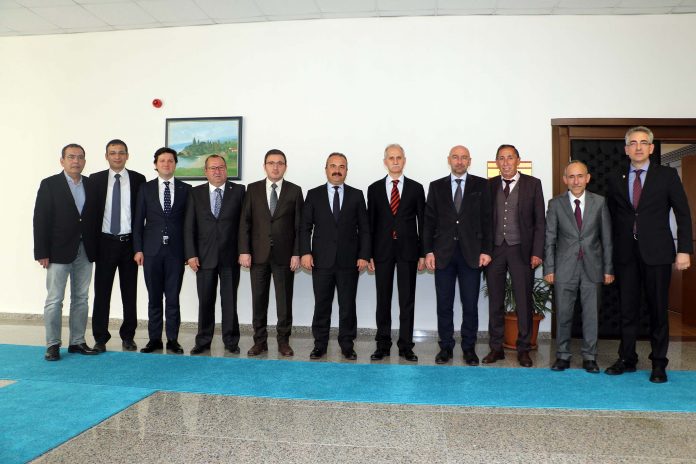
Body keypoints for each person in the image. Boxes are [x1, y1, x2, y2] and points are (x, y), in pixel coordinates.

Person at [606, 126, 692, 383]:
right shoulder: (615, 176)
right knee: (627, 310)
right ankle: (627, 358)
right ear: (626, 149)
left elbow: (683, 213)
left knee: (657, 310)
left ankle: (658, 363)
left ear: (651, 148)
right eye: (633, 143)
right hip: (625, 254)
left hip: (658, 253)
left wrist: (684, 250)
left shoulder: (667, 175)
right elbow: (611, 217)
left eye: (643, 142)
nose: (638, 147)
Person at [423, 145, 492, 365]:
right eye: (455, 157)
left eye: (463, 158)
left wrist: (486, 250)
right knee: (444, 305)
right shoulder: (436, 186)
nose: (459, 161)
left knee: (470, 304)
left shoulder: (482, 185)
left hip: (472, 255)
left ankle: (469, 348)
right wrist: (428, 251)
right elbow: (429, 221)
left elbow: (488, 220)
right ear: (449, 160)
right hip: (443, 255)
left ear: (469, 161)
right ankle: (445, 347)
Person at [544, 161, 614, 373]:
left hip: (593, 268)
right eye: (571, 177)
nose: (576, 181)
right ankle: (562, 355)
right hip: (564, 268)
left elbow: (607, 238)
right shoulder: (555, 204)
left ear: (588, 178)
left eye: (580, 176)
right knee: (563, 315)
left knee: (591, 315)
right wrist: (549, 268)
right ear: (565, 179)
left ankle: (590, 357)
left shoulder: (599, 202)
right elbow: (550, 239)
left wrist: (608, 269)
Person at [300, 152, 370, 360]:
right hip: (321, 260)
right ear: (326, 169)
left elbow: (364, 229)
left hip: (349, 261)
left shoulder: (357, 195)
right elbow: (305, 227)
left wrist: (364, 255)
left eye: (341, 166)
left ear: (346, 170)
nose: (337, 170)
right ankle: (319, 345)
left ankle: (347, 345)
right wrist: (305, 252)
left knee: (347, 306)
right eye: (333, 166)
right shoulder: (313, 194)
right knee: (322, 304)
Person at [33, 143, 99, 361]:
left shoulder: (91, 185)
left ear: (84, 161)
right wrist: (41, 251)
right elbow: (40, 219)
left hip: (85, 250)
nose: (76, 161)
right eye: (71, 157)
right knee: (55, 299)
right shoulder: (50, 184)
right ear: (62, 160)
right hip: (57, 251)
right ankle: (52, 344)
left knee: (81, 298)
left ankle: (77, 341)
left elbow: (94, 219)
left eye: (80, 157)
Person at [483, 144, 545, 368]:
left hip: (522, 250)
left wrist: (537, 252)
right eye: (501, 158)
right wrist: (483, 250)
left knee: (523, 300)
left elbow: (540, 222)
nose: (506, 162)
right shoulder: (489, 185)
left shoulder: (533, 184)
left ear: (518, 160)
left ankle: (524, 349)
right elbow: (483, 221)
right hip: (495, 251)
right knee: (495, 301)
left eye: (510, 157)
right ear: (496, 162)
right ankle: (496, 348)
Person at [239, 149, 303, 357]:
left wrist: (297, 253)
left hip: (285, 256)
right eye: (271, 163)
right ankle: (260, 342)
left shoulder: (295, 191)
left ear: (285, 166)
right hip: (258, 255)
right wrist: (244, 251)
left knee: (284, 302)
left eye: (280, 163)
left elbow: (299, 226)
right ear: (264, 166)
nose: (275, 167)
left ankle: (283, 341)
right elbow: (245, 222)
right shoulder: (253, 189)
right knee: (259, 300)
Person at [366, 143, 425, 362]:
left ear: (404, 160)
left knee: (407, 300)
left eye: (399, 157)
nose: (395, 161)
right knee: (383, 299)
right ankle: (382, 344)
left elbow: (423, 223)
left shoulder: (416, 188)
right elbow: (369, 225)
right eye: (391, 158)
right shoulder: (373, 189)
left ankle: (406, 346)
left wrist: (423, 253)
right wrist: (368, 253)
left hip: (409, 252)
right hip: (381, 252)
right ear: (385, 162)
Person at [89, 139, 146, 352]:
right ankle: (100, 337)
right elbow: (90, 214)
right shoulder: (95, 179)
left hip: (129, 244)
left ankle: (128, 336)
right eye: (112, 153)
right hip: (105, 243)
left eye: (121, 152)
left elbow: (142, 215)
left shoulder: (139, 179)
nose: (117, 156)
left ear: (127, 156)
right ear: (106, 156)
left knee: (129, 293)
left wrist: (140, 246)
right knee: (102, 293)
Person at [133, 147, 191, 355]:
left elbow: (189, 224)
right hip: (151, 251)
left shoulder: (186, 189)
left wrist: (189, 252)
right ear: (155, 164)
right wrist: (138, 249)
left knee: (173, 298)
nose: (166, 164)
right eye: (162, 161)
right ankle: (154, 339)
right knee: (154, 298)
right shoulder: (145, 189)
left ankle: (173, 340)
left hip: (176, 252)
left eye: (170, 161)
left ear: (175, 164)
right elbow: (138, 222)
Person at [185, 155, 245, 355]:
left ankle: (231, 341)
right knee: (205, 301)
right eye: (213, 168)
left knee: (229, 302)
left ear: (226, 170)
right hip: (203, 257)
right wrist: (191, 254)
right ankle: (203, 341)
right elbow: (189, 226)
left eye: (221, 167)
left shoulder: (239, 191)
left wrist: (243, 251)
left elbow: (244, 225)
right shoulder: (195, 193)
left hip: (230, 257)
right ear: (206, 171)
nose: (217, 171)